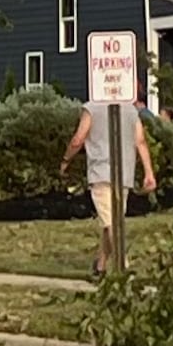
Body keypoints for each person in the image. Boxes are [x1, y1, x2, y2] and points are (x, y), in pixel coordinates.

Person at [60, 99, 157, 278]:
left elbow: (78, 139)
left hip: (101, 173)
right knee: (111, 221)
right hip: (125, 173)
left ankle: (123, 266)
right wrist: (149, 172)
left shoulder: (91, 108)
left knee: (111, 223)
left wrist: (65, 161)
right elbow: (141, 141)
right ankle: (100, 266)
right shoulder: (130, 109)